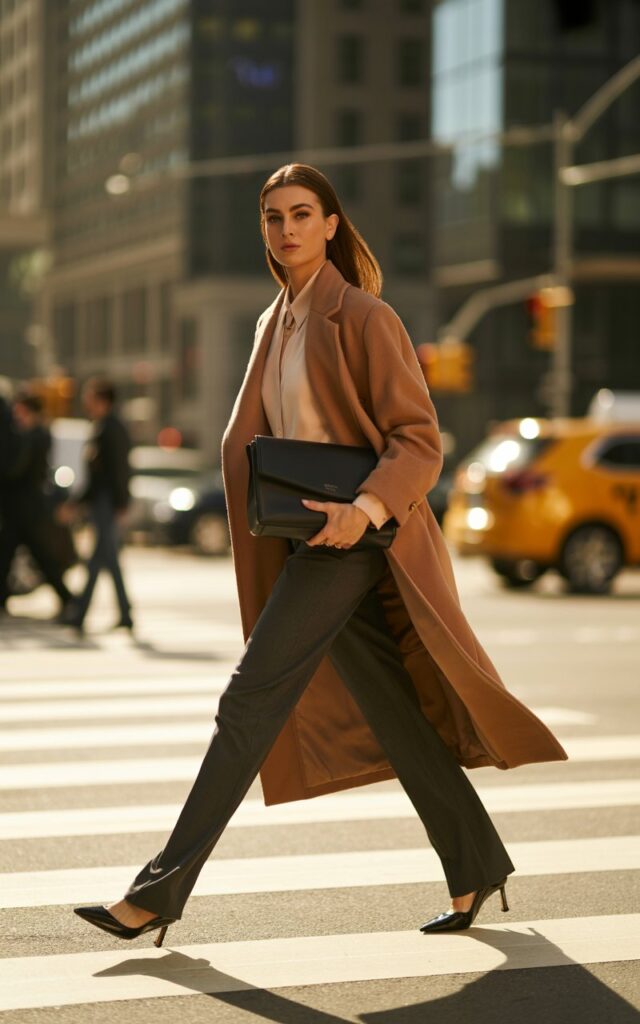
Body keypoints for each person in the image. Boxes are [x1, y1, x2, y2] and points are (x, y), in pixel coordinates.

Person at [74, 164, 567, 947]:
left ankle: (158, 895)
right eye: (273, 217)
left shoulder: (365, 317)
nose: (287, 229)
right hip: (313, 537)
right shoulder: (277, 322)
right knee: (393, 711)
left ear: (332, 223)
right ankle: (478, 863)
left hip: (355, 539)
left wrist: (364, 508)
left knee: (247, 703)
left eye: (303, 214)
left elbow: (420, 440)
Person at [63, 378, 132, 633]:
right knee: (107, 559)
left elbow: (118, 471)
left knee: (98, 559)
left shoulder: (111, 429)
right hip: (102, 502)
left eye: (89, 395)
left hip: (107, 503)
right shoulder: (101, 427)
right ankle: (124, 612)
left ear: (101, 399)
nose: (85, 400)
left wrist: (121, 503)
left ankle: (80, 612)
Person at [0, 390, 74, 616]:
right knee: (8, 554)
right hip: (22, 508)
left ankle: (67, 598)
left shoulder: (33, 436)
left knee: (38, 556)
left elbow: (15, 470)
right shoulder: (32, 434)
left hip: (26, 508)